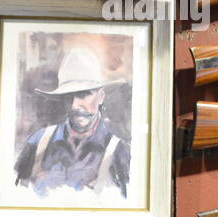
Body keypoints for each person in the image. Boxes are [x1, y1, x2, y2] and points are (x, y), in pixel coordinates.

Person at [13, 47, 131, 199]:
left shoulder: (118, 151)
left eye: (83, 94)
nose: (75, 105)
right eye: (69, 96)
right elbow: (16, 198)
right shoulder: (37, 141)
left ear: (101, 97)